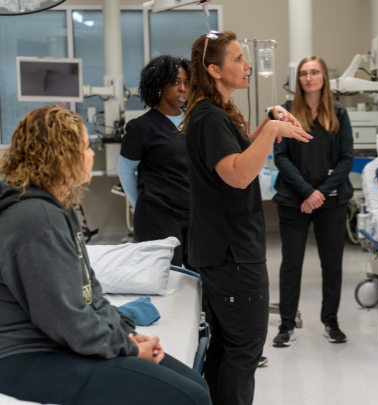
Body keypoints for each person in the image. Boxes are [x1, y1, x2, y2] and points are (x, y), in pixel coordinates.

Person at [0, 106, 211, 405]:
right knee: (190, 398)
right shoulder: (35, 218)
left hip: (56, 342)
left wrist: (125, 333)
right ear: (63, 155)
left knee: (196, 387)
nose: (91, 154)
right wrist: (127, 349)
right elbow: (67, 320)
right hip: (24, 356)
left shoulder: (60, 207)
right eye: (85, 147)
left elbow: (89, 290)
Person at [182, 31, 310, 405]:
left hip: (223, 249)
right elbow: (237, 175)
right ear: (213, 69)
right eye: (238, 58)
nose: (247, 64)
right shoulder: (209, 117)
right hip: (232, 253)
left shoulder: (213, 113)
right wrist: (272, 130)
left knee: (225, 347)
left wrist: (267, 121)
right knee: (245, 349)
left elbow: (234, 154)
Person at [270, 56, 354, 347]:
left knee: (332, 263)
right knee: (291, 263)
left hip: (330, 201)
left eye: (314, 72)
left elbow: (346, 160)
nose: (309, 77)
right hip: (295, 199)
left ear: (324, 77)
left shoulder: (339, 114)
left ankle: (331, 322)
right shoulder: (285, 113)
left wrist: (320, 193)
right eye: (304, 73)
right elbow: (280, 157)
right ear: (299, 79)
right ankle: (286, 324)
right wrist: (308, 192)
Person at [119, 55, 192, 268]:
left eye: (186, 83)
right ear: (159, 86)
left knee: (198, 280)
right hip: (158, 217)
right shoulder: (142, 127)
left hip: (193, 214)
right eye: (175, 82)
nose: (182, 89)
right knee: (167, 280)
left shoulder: (194, 121)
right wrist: (141, 205)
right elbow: (125, 170)